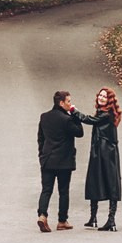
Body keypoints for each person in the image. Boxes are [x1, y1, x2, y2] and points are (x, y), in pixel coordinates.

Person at [74, 86, 122, 231]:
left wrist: (73, 111)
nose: (101, 98)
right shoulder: (103, 112)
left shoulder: (106, 114)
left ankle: (111, 220)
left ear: (110, 100)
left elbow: (89, 120)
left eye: (104, 96)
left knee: (109, 181)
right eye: (100, 95)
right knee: (95, 180)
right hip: (100, 150)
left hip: (105, 152)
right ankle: (93, 218)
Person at [36, 89, 84, 232]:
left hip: (48, 160)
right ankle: (62, 221)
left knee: (46, 190)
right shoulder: (67, 119)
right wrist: (75, 115)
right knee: (63, 191)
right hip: (64, 161)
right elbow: (79, 133)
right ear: (61, 103)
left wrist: (42, 155)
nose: (70, 104)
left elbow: (40, 138)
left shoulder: (44, 117)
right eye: (68, 101)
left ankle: (42, 215)